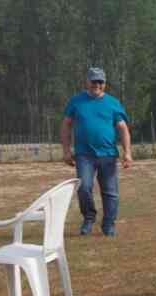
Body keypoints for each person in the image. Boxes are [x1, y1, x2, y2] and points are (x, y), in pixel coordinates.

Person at [61, 67, 132, 237]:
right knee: (84, 188)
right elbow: (66, 124)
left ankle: (108, 224)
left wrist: (127, 152)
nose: (97, 85)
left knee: (110, 191)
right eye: (94, 81)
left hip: (108, 155)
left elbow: (122, 128)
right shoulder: (76, 101)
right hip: (84, 155)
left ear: (105, 84)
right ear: (87, 82)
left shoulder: (113, 103)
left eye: (100, 82)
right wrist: (66, 150)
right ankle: (89, 218)